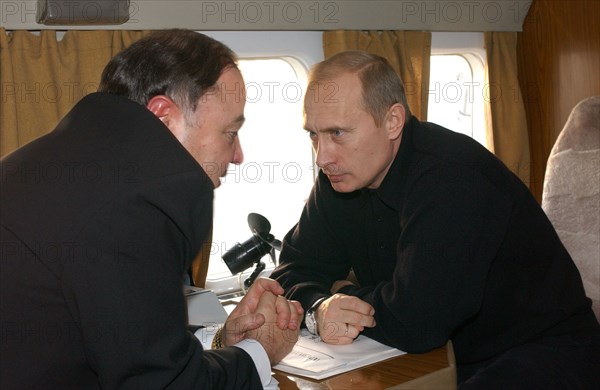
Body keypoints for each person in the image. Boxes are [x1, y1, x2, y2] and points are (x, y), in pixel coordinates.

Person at [270, 51, 600, 388]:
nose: (322, 156)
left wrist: (346, 292)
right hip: (441, 353)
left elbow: (417, 322)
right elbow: (288, 275)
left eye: (337, 133)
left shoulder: (452, 178)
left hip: (543, 350)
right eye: (313, 134)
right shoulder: (338, 178)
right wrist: (321, 305)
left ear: (393, 121)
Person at [0, 29, 301, 389]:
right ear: (163, 118)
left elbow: (123, 345)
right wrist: (258, 352)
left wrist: (223, 342)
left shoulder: (41, 165)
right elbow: (166, 384)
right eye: (229, 133)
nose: (238, 156)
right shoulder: (136, 204)